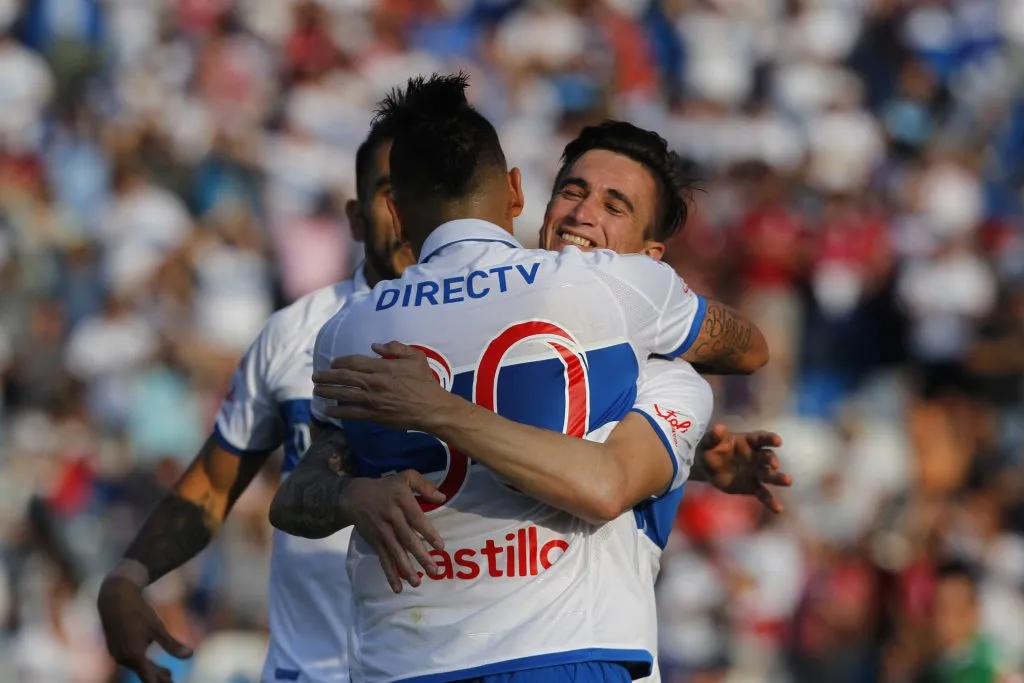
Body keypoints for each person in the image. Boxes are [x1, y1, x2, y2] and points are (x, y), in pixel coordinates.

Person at [270, 73, 769, 683]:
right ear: (521, 194)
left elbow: (607, 483)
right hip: (422, 664)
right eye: (573, 191)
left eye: (615, 206)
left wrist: (436, 409)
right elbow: (299, 489)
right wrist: (350, 495)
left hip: (532, 656)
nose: (584, 213)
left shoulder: (351, 329)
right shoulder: (612, 306)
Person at [94, 116, 414, 683]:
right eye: (391, 193)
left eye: (427, 189)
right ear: (355, 218)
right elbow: (216, 484)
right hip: (309, 668)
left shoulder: (497, 330)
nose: (410, 211)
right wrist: (129, 575)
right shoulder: (293, 333)